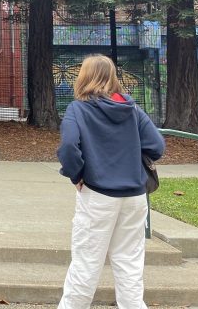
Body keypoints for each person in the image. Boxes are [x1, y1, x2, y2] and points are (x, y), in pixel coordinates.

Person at [56, 54, 165, 309]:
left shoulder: (78, 109)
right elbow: (157, 146)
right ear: (113, 77)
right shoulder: (131, 108)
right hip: (135, 196)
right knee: (129, 264)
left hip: (98, 195)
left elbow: (69, 147)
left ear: (83, 77)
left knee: (86, 264)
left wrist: (77, 174)